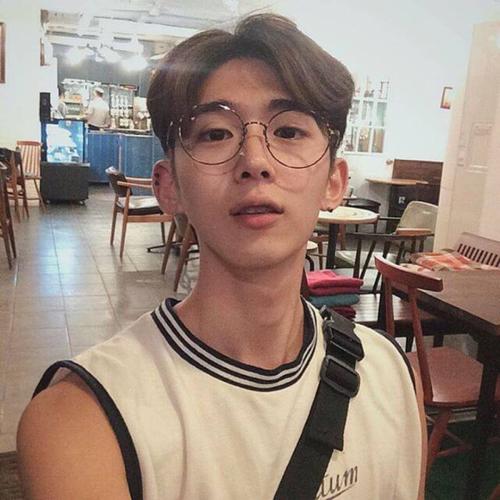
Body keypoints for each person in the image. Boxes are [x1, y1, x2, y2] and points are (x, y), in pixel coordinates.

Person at [17, 13, 426, 499]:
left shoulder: (390, 374)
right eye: (215, 133)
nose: (255, 161)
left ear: (334, 182)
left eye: (289, 131)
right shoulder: (84, 421)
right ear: (169, 186)